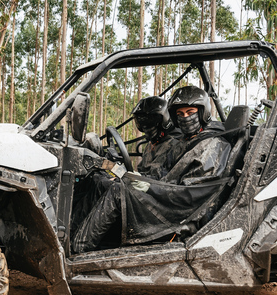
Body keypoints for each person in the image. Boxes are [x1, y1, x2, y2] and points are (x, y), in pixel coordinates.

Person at [72, 86, 232, 253]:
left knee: (117, 191)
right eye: (180, 114)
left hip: (180, 212)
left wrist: (150, 187)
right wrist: (140, 178)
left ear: (202, 112)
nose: (185, 118)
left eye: (190, 112)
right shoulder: (186, 142)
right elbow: (164, 173)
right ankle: (71, 235)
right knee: (102, 183)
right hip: (168, 199)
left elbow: (190, 195)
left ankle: (78, 250)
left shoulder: (213, 145)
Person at [132, 96, 182, 180]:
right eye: (141, 120)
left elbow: (160, 177)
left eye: (150, 120)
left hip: (160, 189)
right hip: (147, 186)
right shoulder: (154, 142)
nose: (145, 125)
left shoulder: (174, 144)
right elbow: (143, 169)